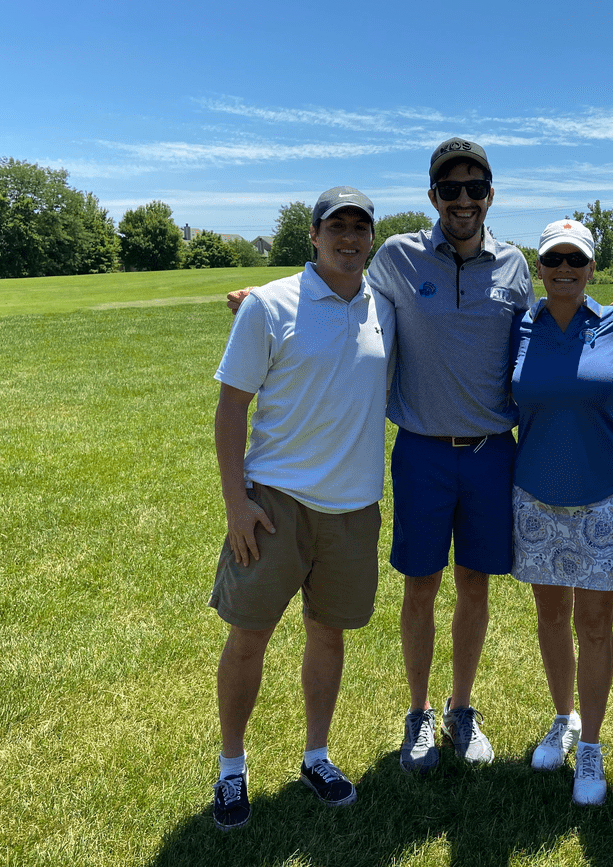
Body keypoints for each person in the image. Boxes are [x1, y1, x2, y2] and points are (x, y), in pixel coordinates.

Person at [209, 187, 394, 830]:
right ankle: (232, 768)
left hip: (354, 507)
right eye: (336, 226)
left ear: (371, 239)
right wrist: (236, 503)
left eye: (360, 228)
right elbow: (231, 407)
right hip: (274, 504)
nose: (349, 238)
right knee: (248, 635)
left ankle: (317, 756)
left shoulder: (385, 307)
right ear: (313, 235)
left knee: (328, 633)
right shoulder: (270, 304)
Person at [365, 139, 534, 772]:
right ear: (433, 195)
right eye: (451, 189)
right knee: (420, 585)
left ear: (491, 194)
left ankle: (462, 709)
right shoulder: (397, 256)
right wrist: (269, 297)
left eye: (475, 188)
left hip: (492, 454)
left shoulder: (515, 265)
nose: (464, 200)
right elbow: (343, 293)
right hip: (422, 452)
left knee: (474, 585)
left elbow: (550, 323)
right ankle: (419, 714)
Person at [508, 219, 613, 805]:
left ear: (592, 268)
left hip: (603, 495)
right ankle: (563, 719)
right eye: (553, 260)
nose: (564, 269)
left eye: (575, 260)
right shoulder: (519, 326)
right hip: (536, 494)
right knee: (549, 616)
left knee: (594, 625)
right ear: (539, 267)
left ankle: (590, 744)